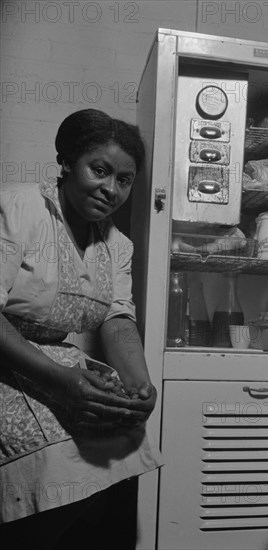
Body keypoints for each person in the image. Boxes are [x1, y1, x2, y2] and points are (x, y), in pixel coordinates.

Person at [0, 109, 162, 548]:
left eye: (124, 180)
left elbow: (117, 319)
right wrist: (61, 381)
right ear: (67, 160)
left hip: (61, 361)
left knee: (125, 437)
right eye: (100, 170)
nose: (111, 190)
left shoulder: (117, 245)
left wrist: (139, 383)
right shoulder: (19, 207)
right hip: (7, 360)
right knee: (53, 461)